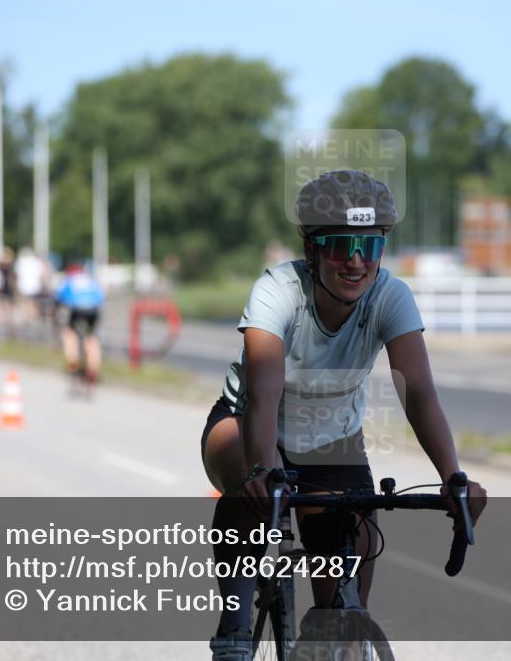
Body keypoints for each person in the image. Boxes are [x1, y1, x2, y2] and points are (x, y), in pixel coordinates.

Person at [201, 169, 487, 660]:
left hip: (331, 439)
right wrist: (263, 470)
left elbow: (417, 389)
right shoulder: (277, 289)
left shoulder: (389, 295)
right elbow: (265, 391)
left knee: (343, 614)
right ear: (312, 250)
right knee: (251, 491)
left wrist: (452, 476)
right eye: (338, 245)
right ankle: (235, 619)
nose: (355, 261)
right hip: (248, 422)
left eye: (369, 247)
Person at [54, 263, 105, 383]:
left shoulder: (69, 280)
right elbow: (101, 297)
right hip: (93, 310)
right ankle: (94, 367)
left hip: (77, 309)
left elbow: (58, 298)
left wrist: (56, 314)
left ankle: (73, 361)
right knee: (91, 338)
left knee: (69, 334)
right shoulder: (91, 280)